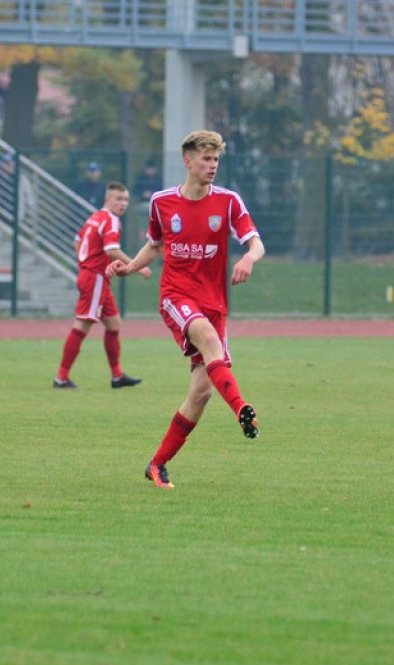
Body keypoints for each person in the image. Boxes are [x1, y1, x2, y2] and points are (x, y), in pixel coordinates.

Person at [108, 130, 266, 489]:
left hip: (215, 302)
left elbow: (256, 243)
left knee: (201, 392)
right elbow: (155, 244)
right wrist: (130, 266)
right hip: (176, 295)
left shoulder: (228, 202)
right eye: (206, 159)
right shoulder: (162, 202)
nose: (212, 166)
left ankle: (157, 464)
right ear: (188, 161)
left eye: (216, 160)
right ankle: (242, 408)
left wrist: (249, 259)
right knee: (207, 337)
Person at [54, 181, 152, 390]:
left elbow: (77, 240)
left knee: (114, 324)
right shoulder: (111, 220)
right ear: (107, 200)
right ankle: (61, 378)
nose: (122, 203)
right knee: (82, 325)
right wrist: (136, 265)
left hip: (94, 276)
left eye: (125, 199)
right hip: (95, 277)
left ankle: (117, 376)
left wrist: (83, 261)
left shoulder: (95, 217)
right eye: (118, 199)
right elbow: (111, 250)